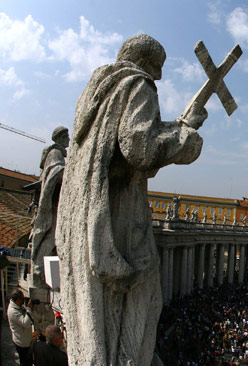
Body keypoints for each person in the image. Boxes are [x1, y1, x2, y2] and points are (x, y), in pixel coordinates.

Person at [56, 34, 207, 365]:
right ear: (146, 63)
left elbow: (129, 144)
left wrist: (179, 125)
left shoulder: (99, 91)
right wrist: (188, 141)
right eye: (159, 69)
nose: (161, 78)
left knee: (93, 310)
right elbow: (140, 147)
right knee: (144, 301)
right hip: (119, 220)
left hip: (85, 218)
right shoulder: (138, 84)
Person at [30, 126, 69, 288]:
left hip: (54, 201)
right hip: (52, 204)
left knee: (52, 235)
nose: (69, 139)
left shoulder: (56, 153)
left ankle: (41, 266)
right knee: (51, 235)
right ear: (60, 138)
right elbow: (55, 172)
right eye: (66, 136)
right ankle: (39, 267)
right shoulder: (56, 153)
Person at [7, 290, 34, 366]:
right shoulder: (13, 311)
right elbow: (26, 323)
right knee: (25, 363)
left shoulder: (17, 306)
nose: (23, 300)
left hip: (25, 340)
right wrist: (28, 309)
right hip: (22, 343)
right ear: (18, 300)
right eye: (22, 299)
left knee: (28, 361)